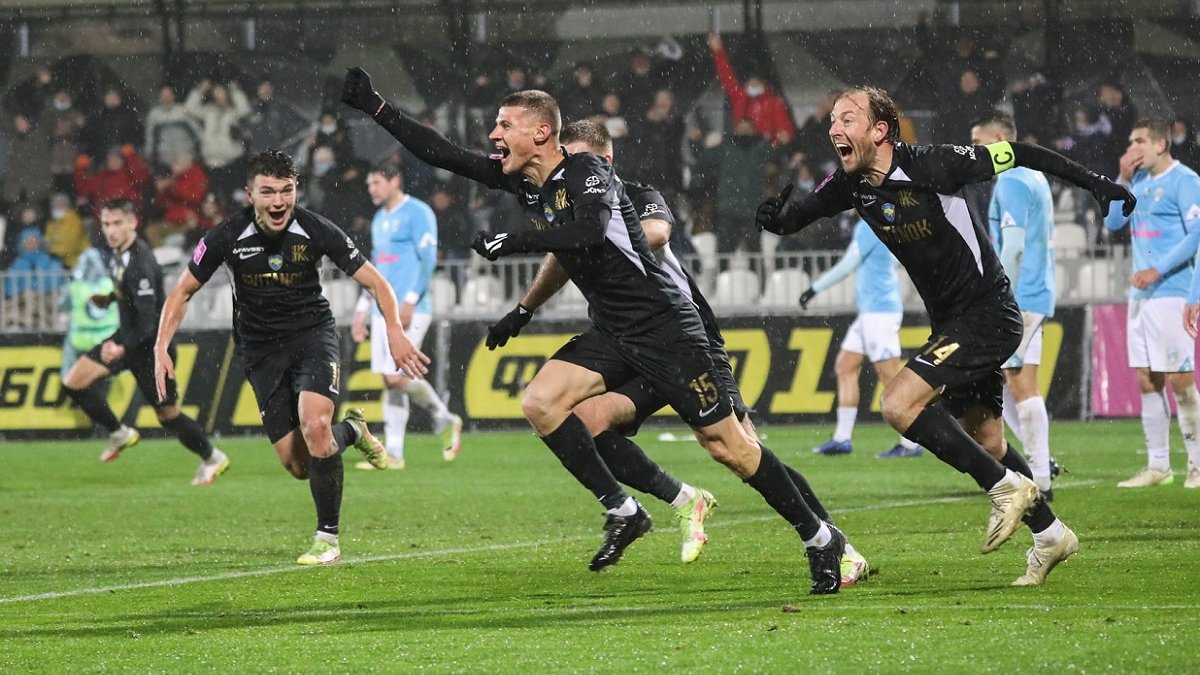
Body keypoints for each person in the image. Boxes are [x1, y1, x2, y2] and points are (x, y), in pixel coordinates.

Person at [343, 67, 848, 594]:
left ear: (542, 132)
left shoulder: (586, 170)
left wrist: (514, 241)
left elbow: (587, 231)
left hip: (665, 329)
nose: (493, 135)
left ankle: (819, 537)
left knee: (731, 449)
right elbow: (444, 154)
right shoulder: (524, 180)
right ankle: (624, 510)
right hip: (613, 332)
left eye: (505, 125)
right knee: (541, 402)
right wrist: (377, 107)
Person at [756, 86, 1135, 585]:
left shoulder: (935, 164)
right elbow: (799, 215)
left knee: (897, 405)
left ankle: (1002, 488)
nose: (834, 129)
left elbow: (1022, 152)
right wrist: (776, 220)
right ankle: (1050, 534)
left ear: (880, 130)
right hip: (952, 324)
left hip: (988, 313)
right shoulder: (851, 185)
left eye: (847, 119)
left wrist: (1096, 183)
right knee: (988, 438)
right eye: (833, 120)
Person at [487, 118, 870, 584]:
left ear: (603, 161)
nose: (565, 169)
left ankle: (836, 545)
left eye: (577, 158)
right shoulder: (568, 206)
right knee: (584, 422)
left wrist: (597, 225)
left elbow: (656, 233)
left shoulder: (636, 195)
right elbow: (563, 260)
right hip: (628, 342)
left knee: (737, 448)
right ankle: (682, 498)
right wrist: (524, 308)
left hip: (685, 338)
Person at [154, 150, 430, 564]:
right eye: (268, 192)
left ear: (296, 190)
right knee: (299, 465)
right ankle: (352, 432)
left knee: (315, 426)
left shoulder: (315, 229)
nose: (279, 201)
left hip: (312, 338)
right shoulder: (226, 236)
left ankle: (328, 538)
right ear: (250, 194)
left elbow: (376, 282)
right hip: (260, 353)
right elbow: (182, 291)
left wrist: (394, 329)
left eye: (286, 191)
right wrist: (161, 346)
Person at [59, 199, 228, 484]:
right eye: (106, 224)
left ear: (132, 223)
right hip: (127, 339)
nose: (111, 230)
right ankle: (119, 433)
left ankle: (213, 458)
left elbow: (149, 322)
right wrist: (109, 299)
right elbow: (127, 292)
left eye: (117, 223)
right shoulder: (119, 254)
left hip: (151, 349)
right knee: (73, 382)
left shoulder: (141, 262)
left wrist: (121, 348)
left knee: (168, 416)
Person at [350, 164, 464, 470]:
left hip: (409, 309)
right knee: (392, 382)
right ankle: (395, 453)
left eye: (376, 182)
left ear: (394, 181)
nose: (372, 189)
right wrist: (361, 310)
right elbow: (375, 270)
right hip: (383, 310)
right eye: (369, 184)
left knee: (395, 377)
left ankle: (444, 419)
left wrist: (411, 300)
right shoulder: (379, 219)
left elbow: (428, 260)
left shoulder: (418, 212)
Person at [970, 113, 1059, 499]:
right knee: (1009, 378)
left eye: (978, 143)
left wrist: (998, 293)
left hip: (1021, 294)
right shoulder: (1032, 175)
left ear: (998, 139)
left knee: (1022, 383)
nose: (974, 151)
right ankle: (1040, 466)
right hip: (1034, 289)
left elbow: (1015, 247)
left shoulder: (1012, 181)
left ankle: (1040, 478)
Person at [1108, 118, 1200, 490]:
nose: (1133, 147)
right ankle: (1158, 465)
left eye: (1140, 141)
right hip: (1141, 296)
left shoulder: (1186, 181)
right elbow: (1113, 222)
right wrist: (1121, 179)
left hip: (1171, 291)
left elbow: (1196, 235)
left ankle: (1197, 464)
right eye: (1131, 141)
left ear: (1161, 144)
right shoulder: (1138, 182)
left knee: (1180, 380)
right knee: (1147, 379)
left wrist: (1157, 270)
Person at [803, 218, 921, 460]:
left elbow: (848, 265)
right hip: (872, 311)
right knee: (845, 366)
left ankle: (910, 443)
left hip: (879, 313)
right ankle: (842, 438)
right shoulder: (882, 223)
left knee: (891, 378)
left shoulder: (868, 226)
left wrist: (814, 289)